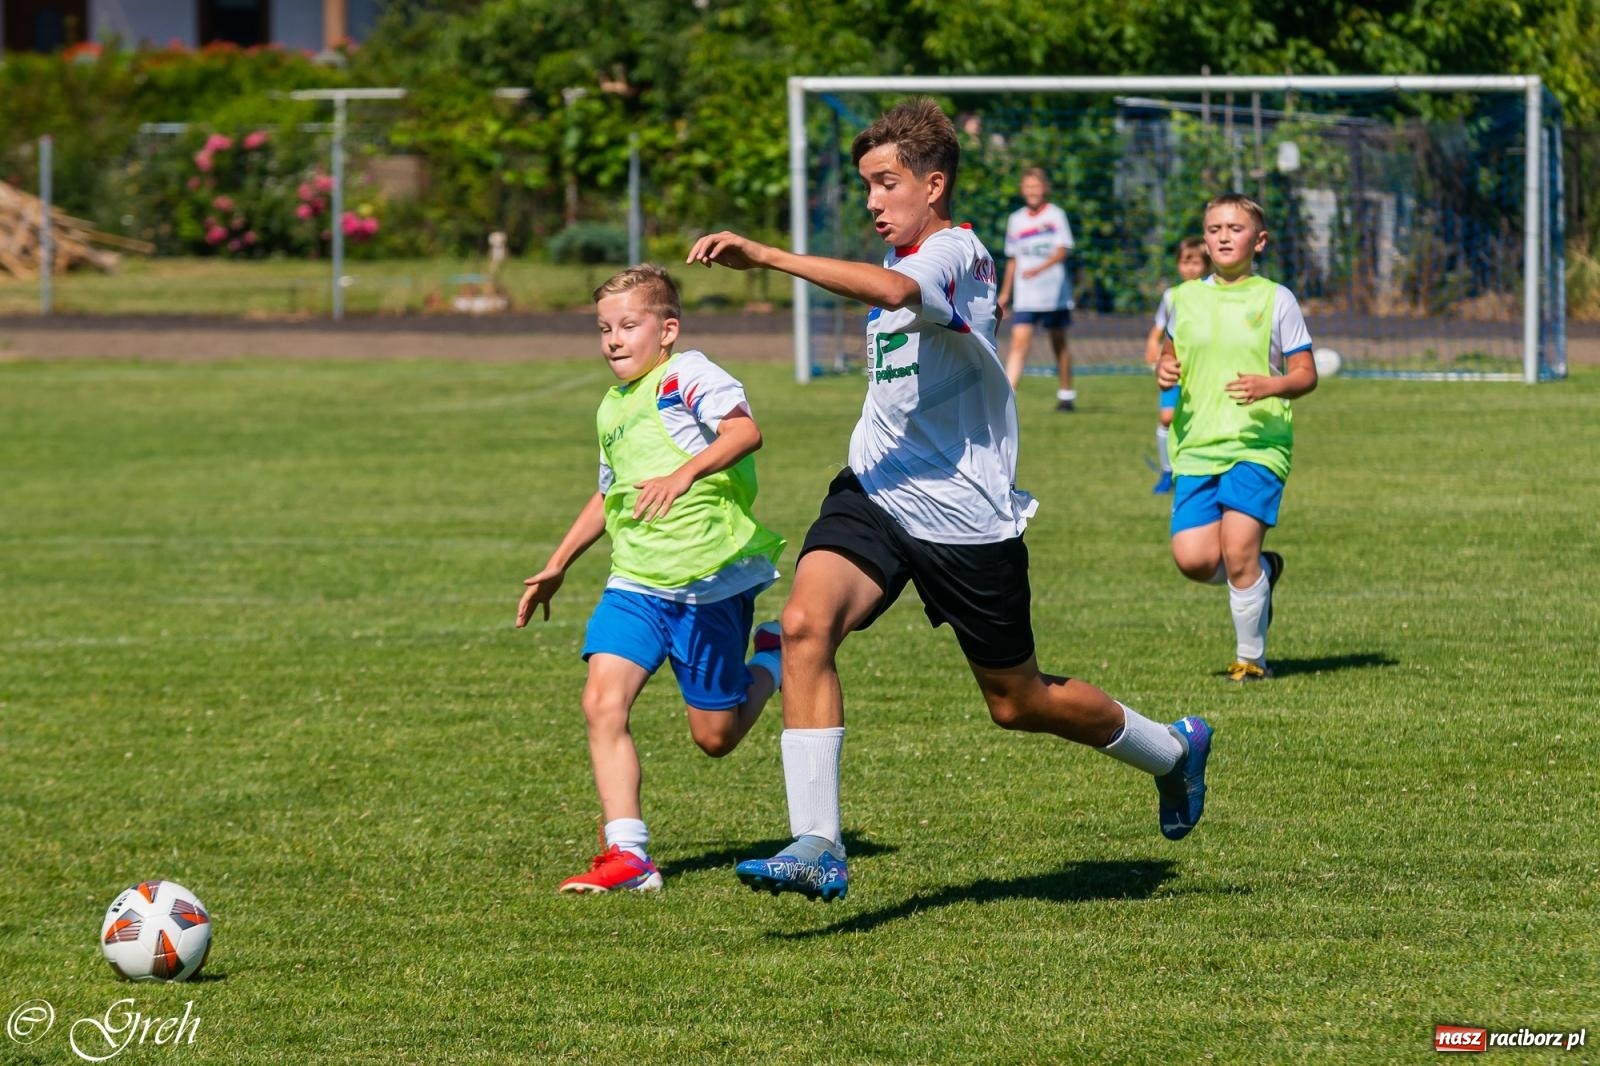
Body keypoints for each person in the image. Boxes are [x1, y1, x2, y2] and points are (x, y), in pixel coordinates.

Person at [687, 98, 1211, 903]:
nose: (873, 200)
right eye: (867, 185)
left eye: (887, 183)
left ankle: (1170, 751)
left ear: (933, 185)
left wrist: (768, 255)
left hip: (963, 517)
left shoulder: (956, 253)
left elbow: (898, 290)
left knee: (1017, 701)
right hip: (874, 489)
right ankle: (818, 842)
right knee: (803, 625)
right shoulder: (904, 253)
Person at [515, 264, 787, 893]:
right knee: (600, 701)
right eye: (603, 328)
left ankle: (773, 658)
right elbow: (608, 494)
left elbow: (745, 432)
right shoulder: (612, 407)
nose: (613, 339)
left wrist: (683, 473)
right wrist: (558, 563)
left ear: (667, 330)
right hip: (635, 583)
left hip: (706, 585)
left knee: (715, 738)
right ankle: (629, 856)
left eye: (628, 325)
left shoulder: (687, 375)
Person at [1156, 194, 1318, 683]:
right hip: (1196, 445)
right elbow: (1170, 357)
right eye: (1214, 229)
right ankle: (1262, 574)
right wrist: (1165, 371)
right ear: (1204, 240)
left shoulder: (1276, 299)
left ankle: (1251, 660)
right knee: (1193, 559)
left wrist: (1271, 385)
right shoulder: (1182, 299)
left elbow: (1306, 373)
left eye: (1235, 228)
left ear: (1259, 241)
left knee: (1238, 549)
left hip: (1257, 443)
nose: (1224, 237)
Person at [998, 167, 1076, 409]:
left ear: (1045, 188)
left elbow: (1062, 250)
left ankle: (1066, 394)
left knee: (1059, 344)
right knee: (1019, 343)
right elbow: (1012, 259)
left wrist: (1039, 269)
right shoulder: (1016, 220)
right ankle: (1007, 398)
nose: (1032, 191)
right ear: (1022, 190)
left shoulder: (1056, 215)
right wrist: (1005, 294)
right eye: (1028, 187)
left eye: (1036, 186)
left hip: (1054, 294)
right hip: (1026, 295)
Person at [1145, 237, 1211, 494]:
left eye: (1196, 263)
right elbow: (1160, 327)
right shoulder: (1172, 295)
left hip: (1202, 372)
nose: (1190, 268)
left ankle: (1197, 470)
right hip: (1175, 369)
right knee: (1167, 417)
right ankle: (1167, 470)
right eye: (1185, 262)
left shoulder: (1213, 295)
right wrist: (1152, 344)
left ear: (1207, 265)